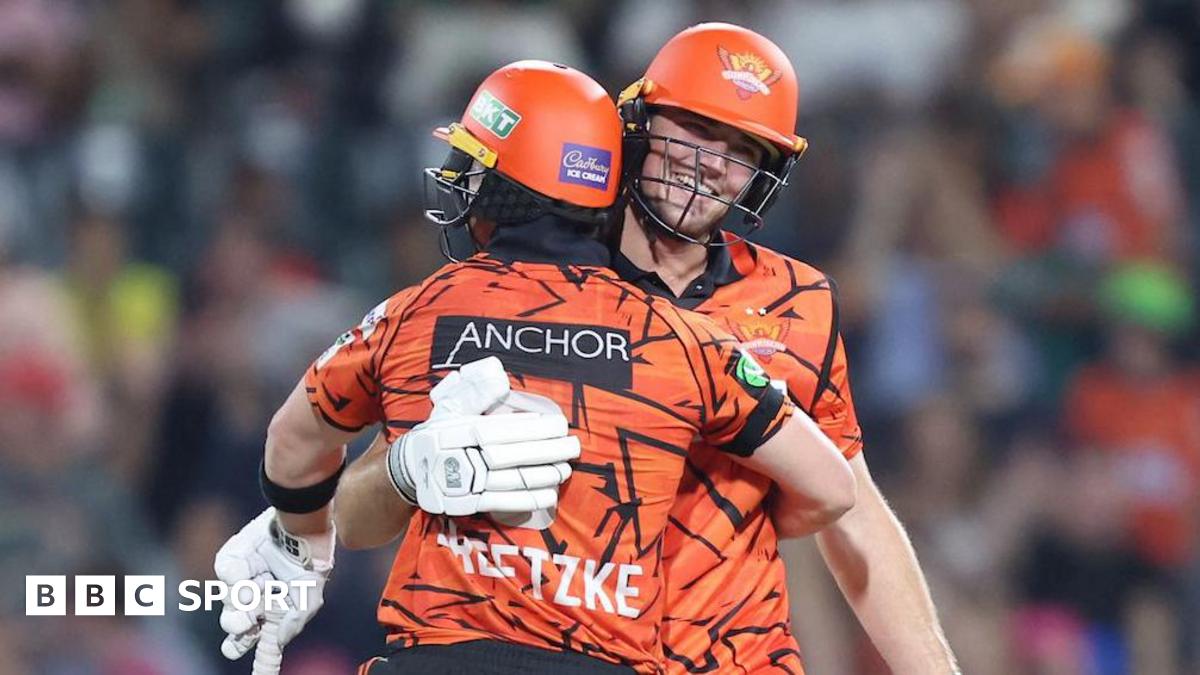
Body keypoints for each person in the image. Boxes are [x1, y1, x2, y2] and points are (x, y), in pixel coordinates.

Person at [217, 60, 855, 675]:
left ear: (502, 184)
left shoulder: (420, 311)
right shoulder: (691, 341)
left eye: (474, 166)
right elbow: (832, 487)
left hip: (437, 654)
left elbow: (293, 442)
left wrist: (303, 540)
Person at [605, 23, 959, 674]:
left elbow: (855, 512)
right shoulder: (548, 284)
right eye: (695, 127)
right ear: (642, 123)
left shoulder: (798, 302)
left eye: (740, 148)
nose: (710, 161)